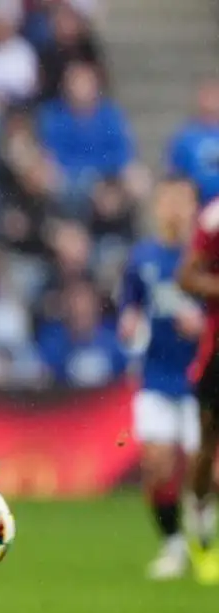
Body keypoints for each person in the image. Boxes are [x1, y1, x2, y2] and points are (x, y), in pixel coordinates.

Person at [119, 178, 202, 581]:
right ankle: (173, 545)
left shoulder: (206, 256)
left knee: (207, 472)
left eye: (181, 201)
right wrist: (128, 319)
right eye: (166, 200)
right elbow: (131, 302)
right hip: (157, 376)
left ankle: (205, 535)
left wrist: (205, 327)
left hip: (203, 376)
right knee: (156, 465)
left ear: (194, 207)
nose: (173, 208)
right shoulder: (143, 257)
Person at [177, 192, 219, 585]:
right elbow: (187, 275)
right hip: (216, 353)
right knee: (208, 444)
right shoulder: (214, 218)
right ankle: (200, 521)